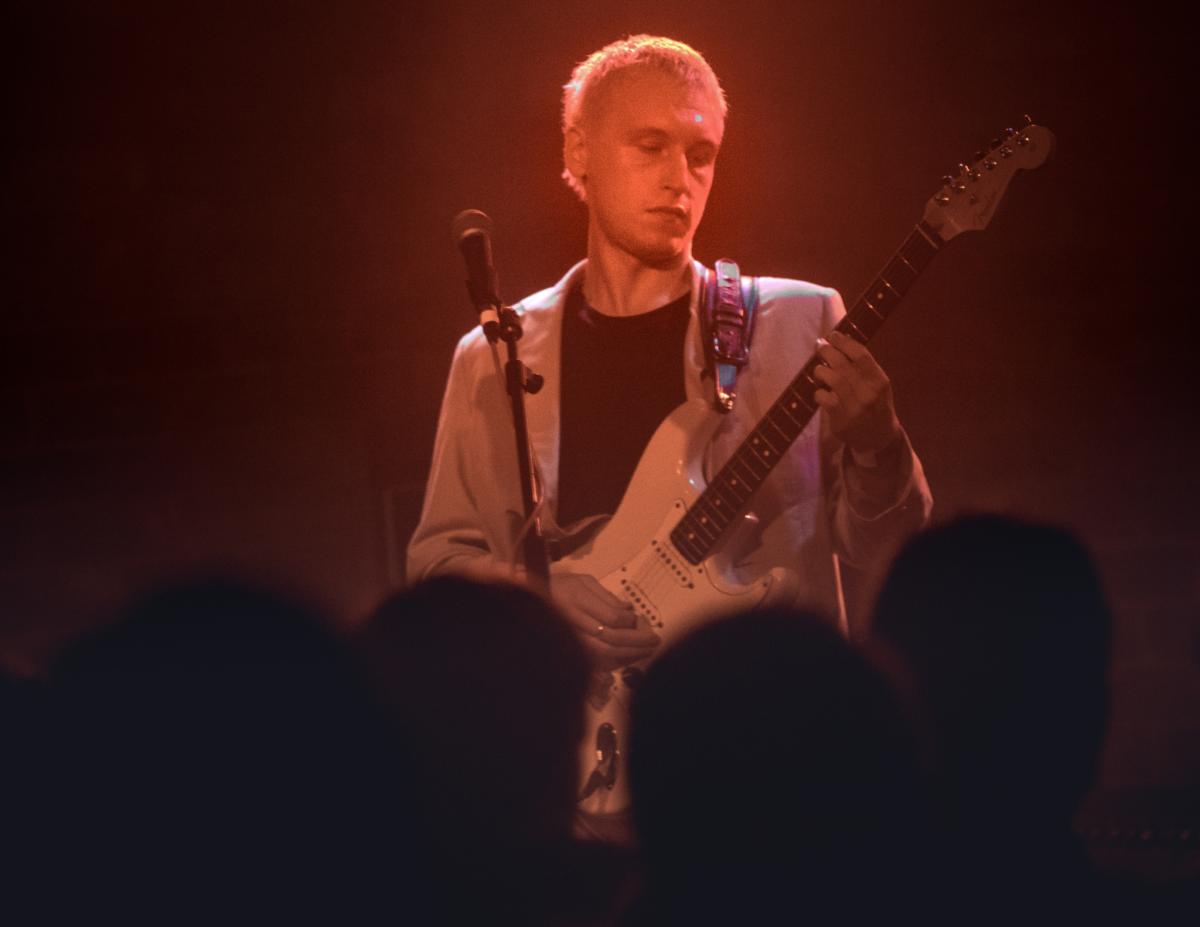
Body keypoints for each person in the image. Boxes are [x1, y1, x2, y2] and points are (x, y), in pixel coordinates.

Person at [408, 34, 931, 654]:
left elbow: (886, 545)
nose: (679, 179)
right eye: (651, 146)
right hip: (585, 729)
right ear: (579, 151)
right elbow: (438, 563)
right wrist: (533, 592)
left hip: (770, 717)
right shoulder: (496, 355)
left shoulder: (800, 320)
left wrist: (879, 447)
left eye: (701, 154)